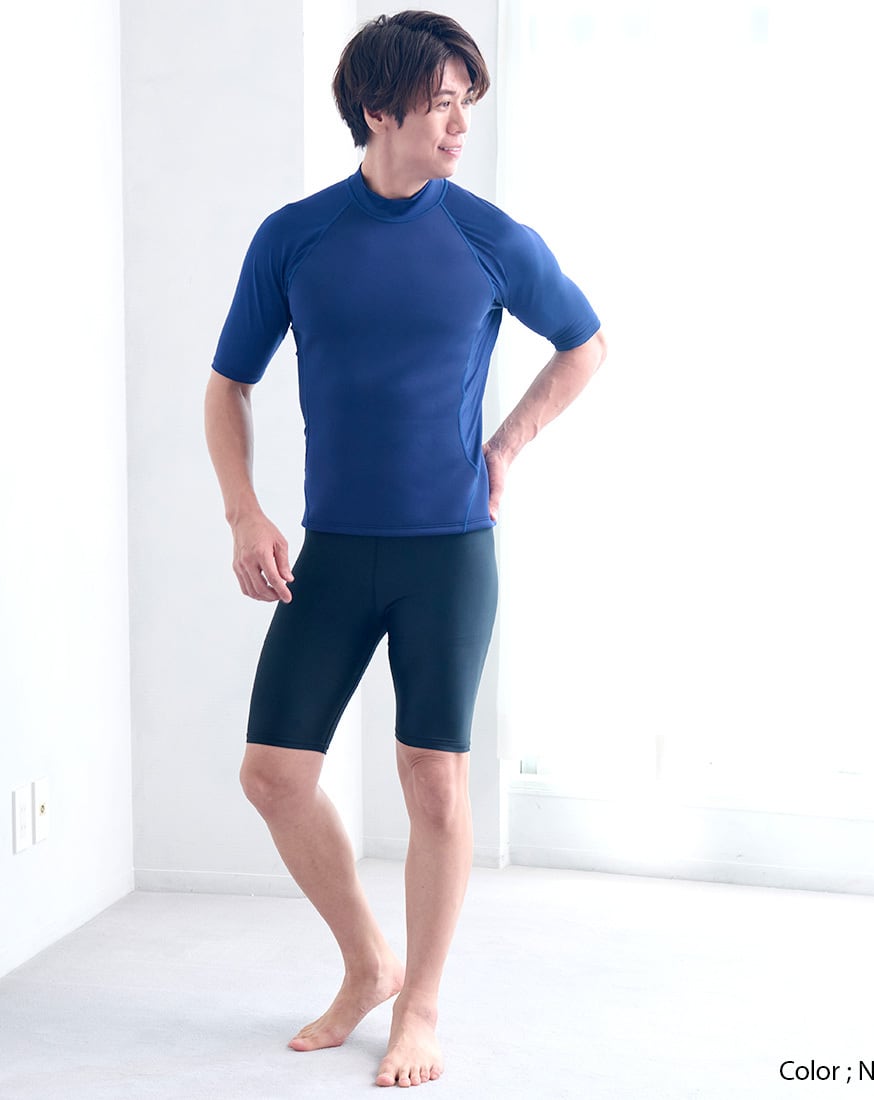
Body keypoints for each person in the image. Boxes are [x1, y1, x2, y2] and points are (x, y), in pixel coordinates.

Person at [204, 10, 606, 1088]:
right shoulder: (294, 237)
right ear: (378, 109)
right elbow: (227, 384)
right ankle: (368, 962)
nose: (459, 125)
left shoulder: (489, 237)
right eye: (442, 104)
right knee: (273, 774)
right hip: (331, 552)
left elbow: (584, 343)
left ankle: (419, 1005)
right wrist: (244, 512)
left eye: (466, 104)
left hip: (446, 555)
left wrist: (508, 442)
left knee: (433, 782)